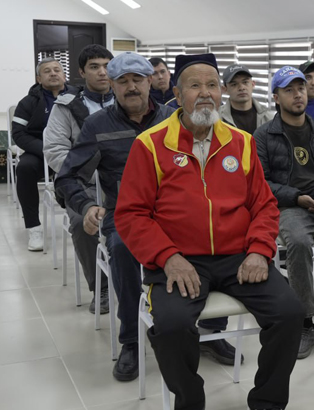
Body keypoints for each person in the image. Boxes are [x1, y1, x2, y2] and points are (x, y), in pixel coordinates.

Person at [115, 53, 304, 410]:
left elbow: (264, 205)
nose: (205, 93)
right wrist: (168, 257)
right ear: (176, 94)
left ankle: (267, 402)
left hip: (239, 256)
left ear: (221, 93)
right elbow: (132, 215)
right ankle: (190, 402)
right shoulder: (150, 144)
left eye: (213, 85)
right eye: (195, 86)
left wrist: (259, 250)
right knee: (172, 327)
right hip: (178, 259)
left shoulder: (241, 142)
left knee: (290, 313)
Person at [55, 52, 235, 382]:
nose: (131, 87)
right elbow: (68, 177)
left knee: (215, 234)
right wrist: (87, 206)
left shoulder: (176, 117)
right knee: (123, 247)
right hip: (126, 213)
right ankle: (132, 340)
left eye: (137, 79)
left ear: (150, 81)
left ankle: (212, 330)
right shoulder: (98, 126)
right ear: (111, 86)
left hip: (178, 212)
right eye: (122, 81)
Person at [254, 66, 314, 359]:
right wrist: (295, 197)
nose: (298, 95)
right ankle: (304, 321)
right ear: (276, 97)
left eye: (301, 88)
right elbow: (261, 181)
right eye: (289, 90)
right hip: (290, 205)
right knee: (299, 242)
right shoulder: (264, 136)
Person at [43, 44, 115, 315]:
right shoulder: (66, 107)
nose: (102, 72)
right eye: (94, 67)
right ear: (82, 73)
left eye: (107, 66)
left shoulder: (128, 101)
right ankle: (101, 287)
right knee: (83, 222)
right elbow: (55, 151)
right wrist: (92, 171)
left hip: (125, 182)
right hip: (83, 184)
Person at [12, 57, 78, 251]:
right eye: (47, 71)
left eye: (57, 69)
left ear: (64, 75)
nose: (53, 73)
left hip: (73, 150)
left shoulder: (78, 96)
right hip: (39, 152)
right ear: (39, 79)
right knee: (24, 168)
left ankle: (83, 219)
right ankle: (34, 227)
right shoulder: (28, 102)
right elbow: (18, 134)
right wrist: (46, 149)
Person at [219, 64, 274, 134]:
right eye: (234, 84)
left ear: (253, 84)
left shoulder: (269, 118)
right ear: (225, 89)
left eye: (245, 82)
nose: (241, 88)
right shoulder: (218, 119)